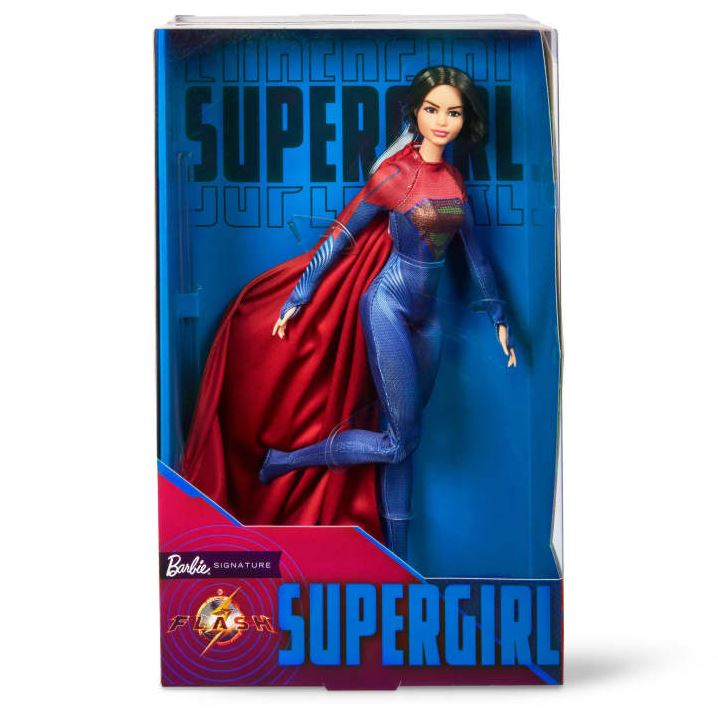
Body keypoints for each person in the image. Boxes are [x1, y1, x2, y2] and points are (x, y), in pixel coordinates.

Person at [182, 66, 516, 561]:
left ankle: (399, 564)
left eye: (453, 112)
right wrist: (299, 294)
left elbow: (477, 257)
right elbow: (341, 234)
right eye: (432, 109)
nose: (442, 121)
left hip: (428, 321)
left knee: (405, 442)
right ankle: (286, 460)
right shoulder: (395, 174)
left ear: (466, 119)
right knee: (399, 441)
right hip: (388, 305)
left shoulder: (453, 180)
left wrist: (499, 316)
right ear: (416, 112)